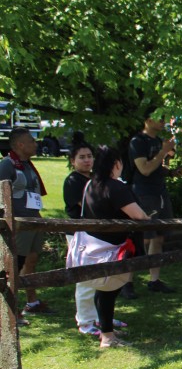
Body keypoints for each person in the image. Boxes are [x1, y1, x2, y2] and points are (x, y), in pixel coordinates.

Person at [83, 147, 151, 348]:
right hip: (113, 248)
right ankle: (107, 337)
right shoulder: (115, 187)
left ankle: (106, 330)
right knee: (108, 290)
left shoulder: (91, 184)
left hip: (95, 245)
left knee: (105, 290)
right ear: (116, 164)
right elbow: (138, 215)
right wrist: (148, 218)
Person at [63, 142, 127, 337]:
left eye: (89, 156)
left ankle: (101, 318)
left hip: (98, 237)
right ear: (73, 161)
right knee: (85, 280)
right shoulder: (73, 181)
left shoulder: (94, 179)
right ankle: (86, 321)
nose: (87, 160)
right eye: (81, 157)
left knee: (104, 278)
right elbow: (93, 206)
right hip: (81, 236)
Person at [0, 128, 49, 320]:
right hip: (18, 223)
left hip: (33, 220)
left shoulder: (28, 165)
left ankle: (32, 302)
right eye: (31, 141)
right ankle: (12, 310)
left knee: (32, 260)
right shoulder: (7, 165)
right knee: (15, 264)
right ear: (20, 144)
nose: (35, 144)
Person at [127, 117, 177, 296]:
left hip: (159, 192)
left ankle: (154, 280)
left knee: (158, 238)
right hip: (144, 194)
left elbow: (156, 167)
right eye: (160, 118)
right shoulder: (137, 141)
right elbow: (145, 169)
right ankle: (127, 282)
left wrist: (171, 172)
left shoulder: (157, 141)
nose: (164, 121)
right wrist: (163, 151)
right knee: (142, 239)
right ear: (148, 120)